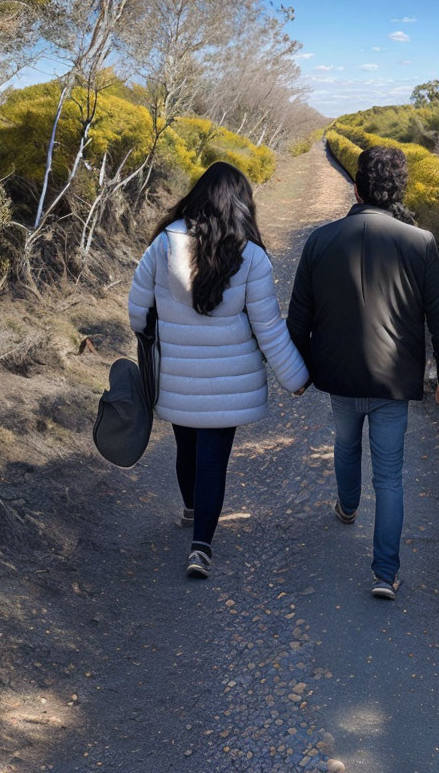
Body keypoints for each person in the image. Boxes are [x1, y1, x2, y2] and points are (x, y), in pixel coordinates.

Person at [287, 145, 439, 600]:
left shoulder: (320, 241)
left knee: (345, 444)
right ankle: (385, 574)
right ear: (398, 191)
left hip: (340, 378)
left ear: (356, 186)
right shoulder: (419, 242)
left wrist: (299, 370)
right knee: (389, 476)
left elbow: (298, 319)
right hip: (393, 383)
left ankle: (347, 507)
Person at [128, 161, 309, 579]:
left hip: (176, 375)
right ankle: (200, 548)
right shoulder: (253, 258)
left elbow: (138, 313)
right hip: (229, 385)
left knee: (186, 448)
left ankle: (190, 509)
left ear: (198, 196)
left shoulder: (162, 246)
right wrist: (295, 379)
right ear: (241, 204)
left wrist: (158, 333)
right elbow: (269, 330)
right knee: (214, 462)